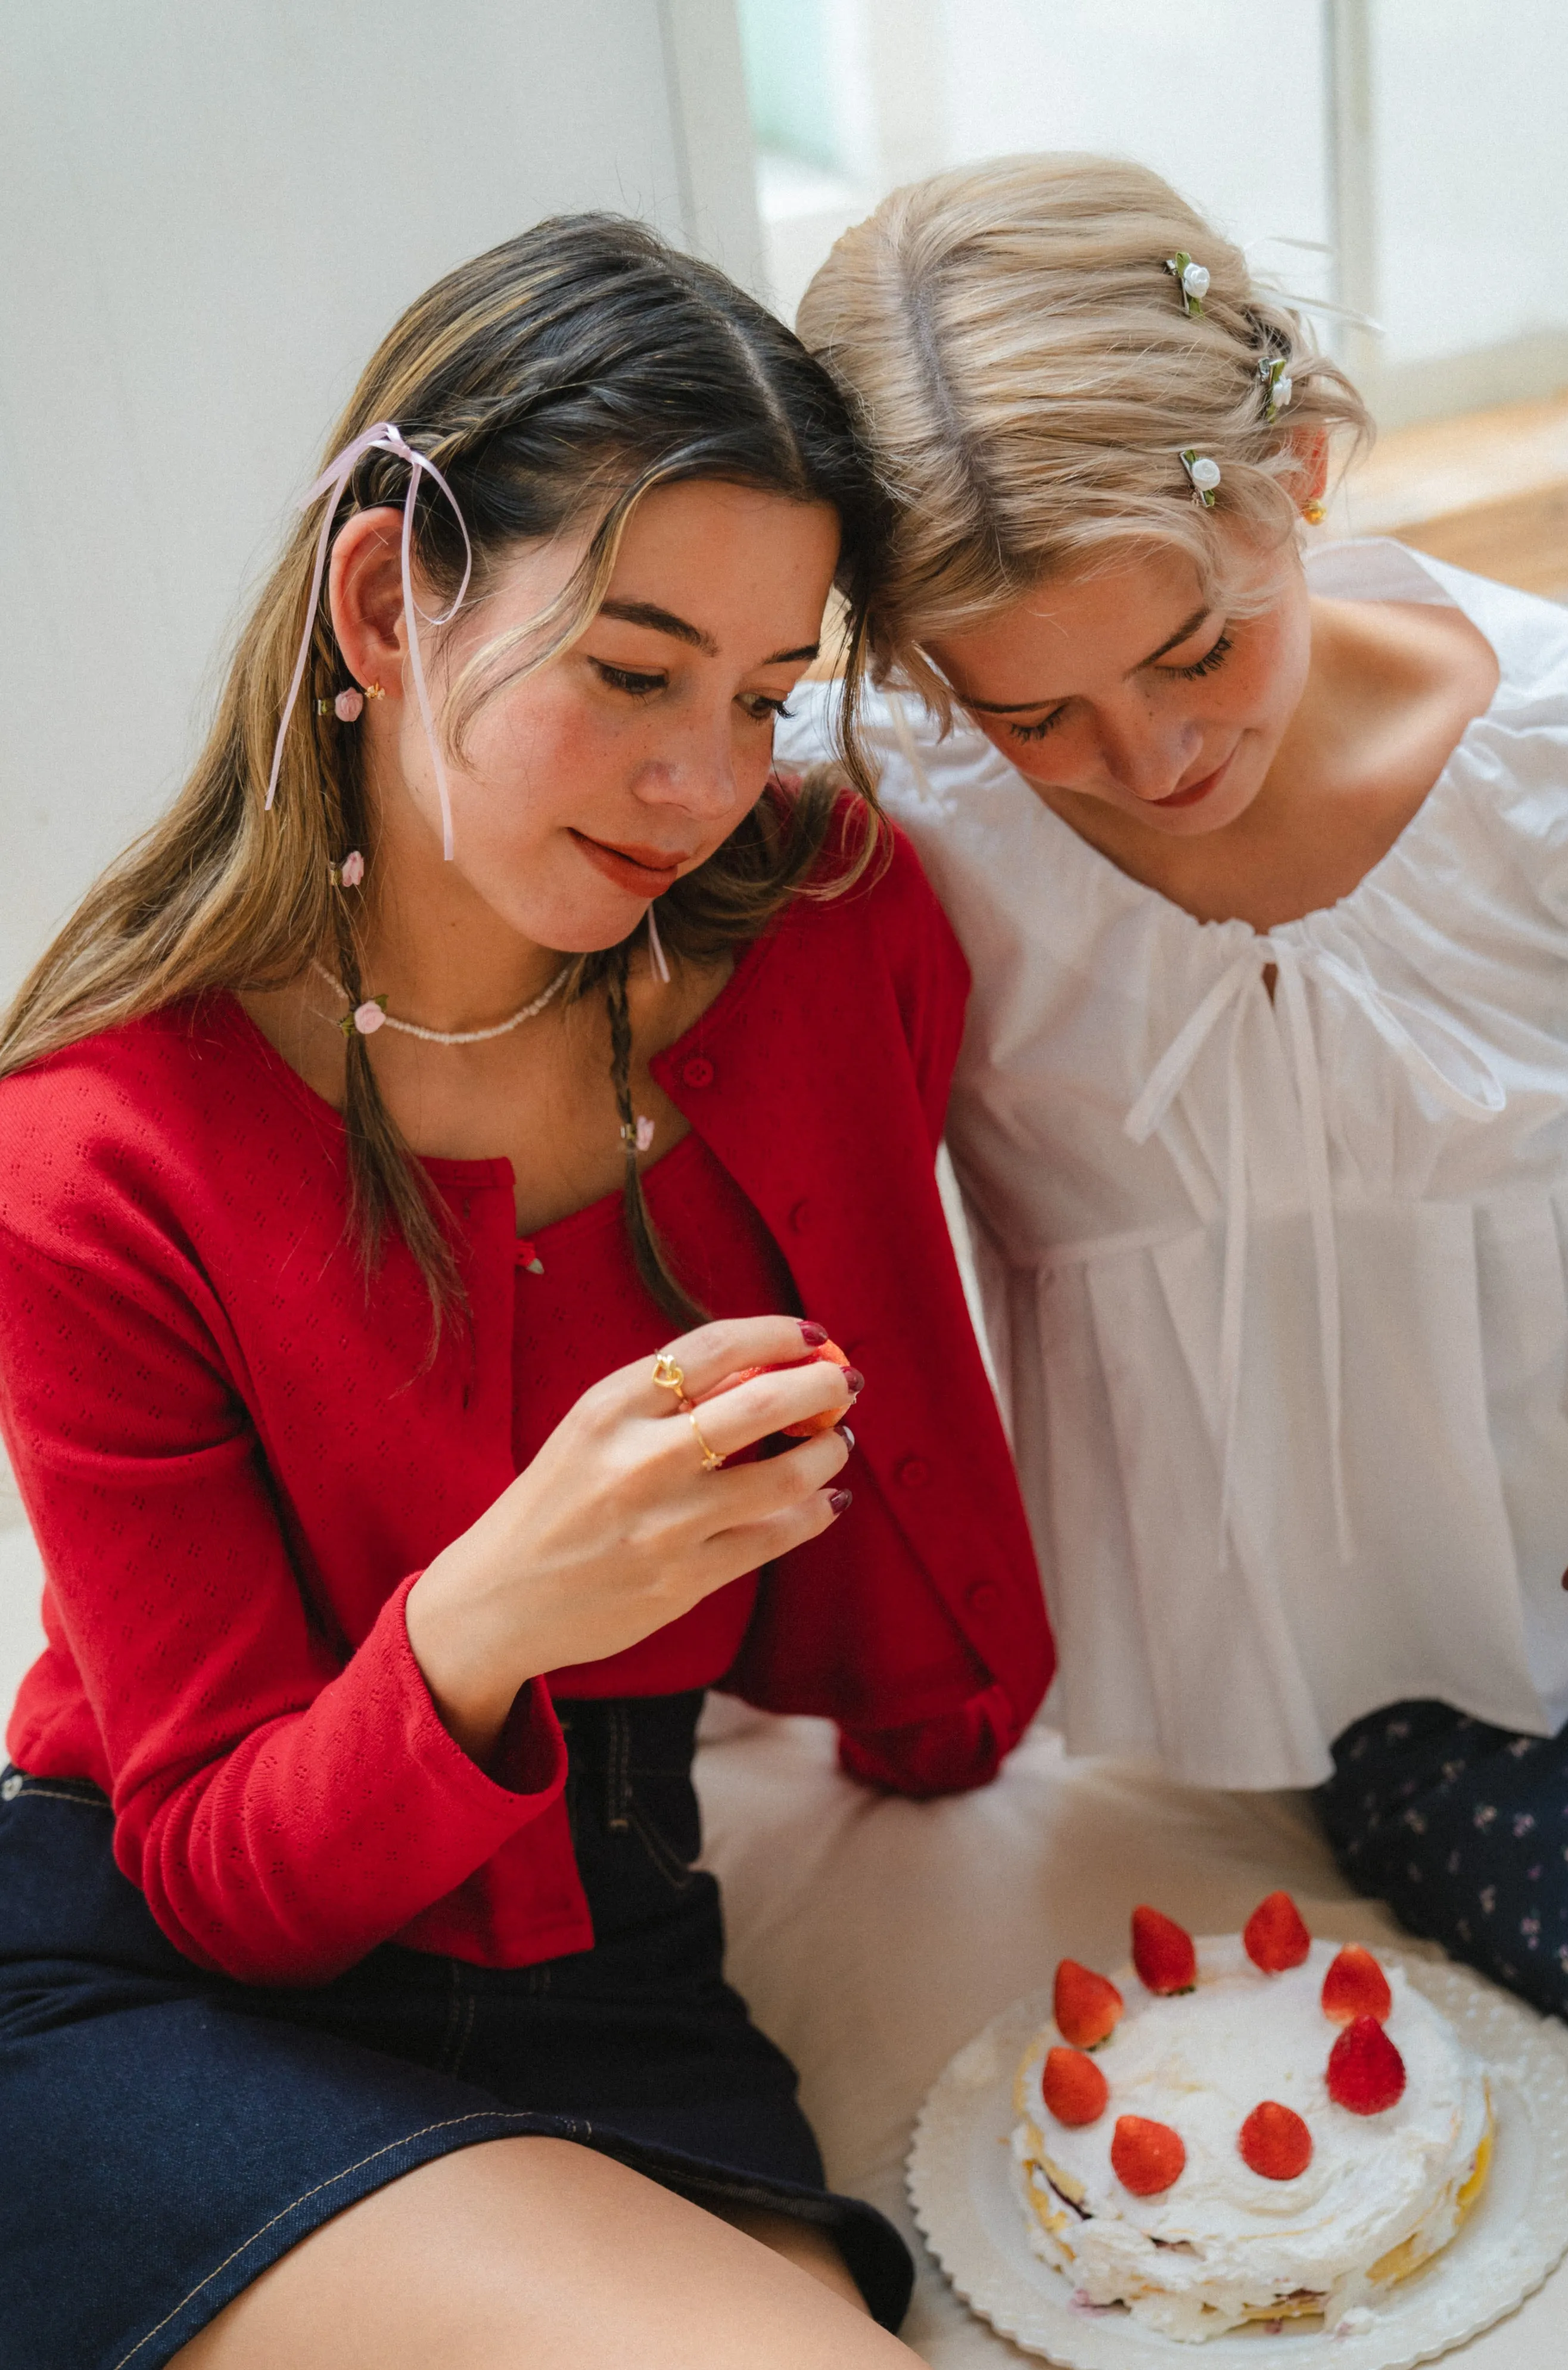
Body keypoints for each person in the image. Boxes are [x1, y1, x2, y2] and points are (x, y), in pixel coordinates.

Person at [0, 213, 1053, 2369]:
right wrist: (497, 1611)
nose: (702, 783)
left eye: (764, 696)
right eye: (631, 670)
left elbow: (938, 1667)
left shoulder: (825, 935)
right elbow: (213, 1863)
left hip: (617, 1965)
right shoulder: (94, 1154)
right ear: (387, 599)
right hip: (164, 1975)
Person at [783, 153, 1568, 2143]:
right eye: (1034, 713)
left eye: (1195, 649)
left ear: (1299, 473)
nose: (1148, 758)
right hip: (1468, 1692)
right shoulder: (885, 833)